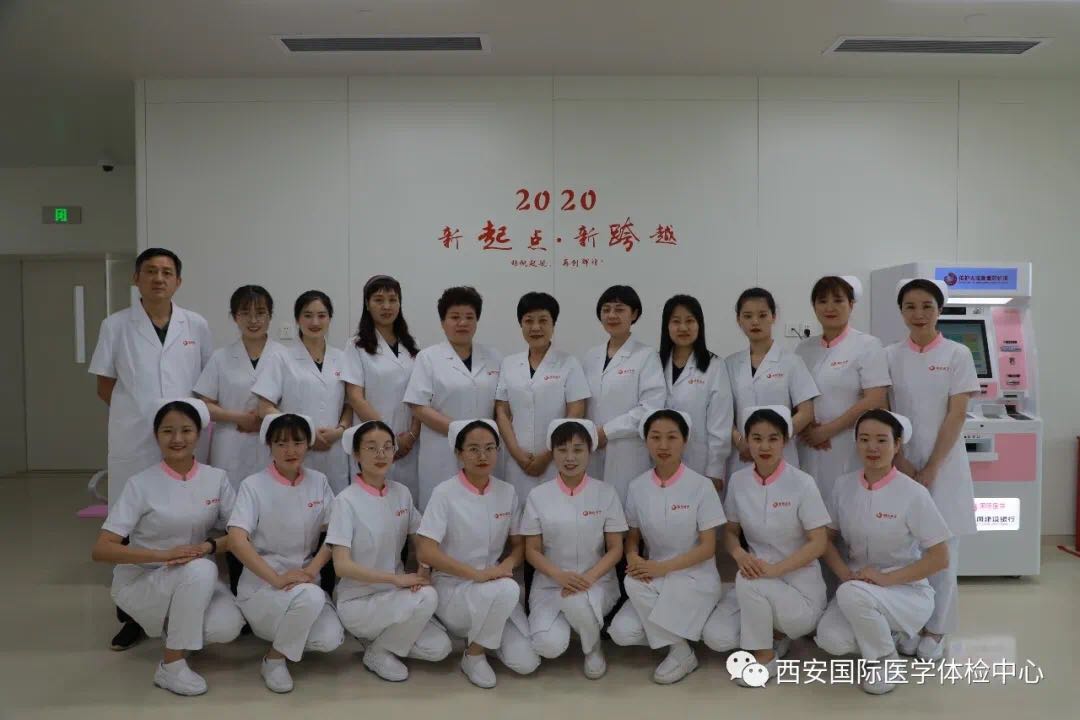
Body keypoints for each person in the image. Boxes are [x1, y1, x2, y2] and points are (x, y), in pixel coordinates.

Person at [89, 247, 213, 650]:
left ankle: (187, 602)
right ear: (136, 278)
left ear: (178, 280)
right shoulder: (115, 325)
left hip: (186, 441)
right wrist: (140, 416)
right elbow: (105, 385)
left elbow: (205, 384)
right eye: (151, 271)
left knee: (186, 518)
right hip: (136, 440)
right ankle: (131, 615)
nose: (159, 278)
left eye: (167, 272)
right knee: (129, 528)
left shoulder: (196, 325)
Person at [90, 398, 243, 696]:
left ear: (199, 434)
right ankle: (171, 665)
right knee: (200, 569)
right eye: (168, 431)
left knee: (228, 625)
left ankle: (175, 627)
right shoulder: (140, 484)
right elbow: (102, 550)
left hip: (193, 576)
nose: (177, 439)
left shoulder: (216, 479)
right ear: (156, 435)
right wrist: (164, 555)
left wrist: (208, 546)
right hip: (142, 581)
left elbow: (239, 534)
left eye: (186, 430)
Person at [814, 410, 951, 695]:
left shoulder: (913, 493)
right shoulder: (843, 486)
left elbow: (940, 557)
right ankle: (887, 633)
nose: (872, 447)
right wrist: (846, 575)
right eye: (864, 439)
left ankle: (886, 660)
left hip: (905, 591)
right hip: (857, 586)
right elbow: (825, 539)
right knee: (830, 639)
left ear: (897, 445)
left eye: (881, 440)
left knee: (852, 595)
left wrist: (884, 580)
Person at [885, 278, 979, 661]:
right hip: (901, 464)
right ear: (901, 311)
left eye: (927, 306)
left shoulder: (958, 354)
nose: (919, 314)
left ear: (940, 310)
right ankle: (913, 623)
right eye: (910, 306)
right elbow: (886, 412)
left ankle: (937, 629)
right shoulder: (890, 355)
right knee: (907, 549)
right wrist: (901, 461)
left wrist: (932, 467)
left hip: (946, 466)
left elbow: (956, 415)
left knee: (943, 549)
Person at [415, 419, 540, 688]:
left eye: (489, 448)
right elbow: (426, 549)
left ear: (497, 451)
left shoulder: (507, 492)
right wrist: (476, 575)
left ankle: (484, 633)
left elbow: (519, 545)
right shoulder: (445, 493)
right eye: (473, 449)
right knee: (507, 590)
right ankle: (474, 654)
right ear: (459, 454)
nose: (482, 456)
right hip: (454, 586)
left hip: (494, 584)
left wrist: (507, 565)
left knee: (527, 663)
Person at [227, 413, 345, 693]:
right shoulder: (253, 485)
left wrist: (311, 571)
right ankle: (274, 659)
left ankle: (287, 632)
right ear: (269, 446)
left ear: (308, 444)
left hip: (305, 580)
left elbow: (335, 533)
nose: (290, 450)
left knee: (329, 639)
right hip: (263, 586)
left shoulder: (319, 481)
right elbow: (236, 540)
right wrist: (277, 579)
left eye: (298, 442)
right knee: (311, 598)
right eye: (281, 444)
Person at [714, 406, 830, 687]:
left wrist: (776, 570)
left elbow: (819, 542)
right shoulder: (739, 481)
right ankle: (776, 635)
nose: (764, 446)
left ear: (785, 441)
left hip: (799, 590)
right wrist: (739, 554)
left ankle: (764, 658)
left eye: (773, 438)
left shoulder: (802, 483)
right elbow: (730, 531)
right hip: (758, 578)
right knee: (717, 637)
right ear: (746, 441)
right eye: (756, 438)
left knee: (748, 581)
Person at [327, 421, 453, 682]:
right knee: (427, 597)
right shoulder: (345, 501)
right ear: (356, 454)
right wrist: (397, 579)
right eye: (371, 448)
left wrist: (423, 568)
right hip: (359, 601)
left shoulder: (401, 493)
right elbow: (341, 566)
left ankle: (377, 640)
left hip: (396, 597)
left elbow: (421, 538)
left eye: (387, 447)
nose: (381, 454)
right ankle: (379, 651)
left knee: (439, 648)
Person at [607, 409, 725, 685]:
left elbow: (708, 547)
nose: (663, 445)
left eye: (671, 437)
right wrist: (633, 556)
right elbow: (633, 536)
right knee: (622, 632)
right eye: (655, 437)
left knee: (638, 597)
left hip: (694, 577)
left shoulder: (701, 486)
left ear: (684, 441)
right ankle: (680, 648)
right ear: (646, 441)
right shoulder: (637, 487)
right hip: (654, 576)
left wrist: (661, 568)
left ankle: (676, 647)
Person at [195, 284, 285, 592]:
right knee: (235, 518)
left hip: (273, 448)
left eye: (260, 312)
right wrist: (239, 417)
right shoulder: (221, 358)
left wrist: (265, 419)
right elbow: (204, 404)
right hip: (231, 444)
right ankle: (238, 586)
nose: (253, 319)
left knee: (272, 513)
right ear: (234, 317)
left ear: (270, 316)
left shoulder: (285, 356)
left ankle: (272, 582)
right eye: (245, 313)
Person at [521, 419, 626, 679]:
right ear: (552, 453)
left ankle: (592, 648)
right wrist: (558, 576)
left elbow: (616, 548)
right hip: (550, 583)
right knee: (548, 646)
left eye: (578, 450)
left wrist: (588, 578)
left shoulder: (606, 493)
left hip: (596, 581)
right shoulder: (538, 496)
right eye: (562, 450)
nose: (570, 458)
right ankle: (578, 623)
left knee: (576, 600)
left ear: (589, 452)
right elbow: (532, 550)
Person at [405, 287, 504, 511]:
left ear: (477, 321)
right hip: (442, 451)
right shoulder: (428, 358)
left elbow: (501, 405)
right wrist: (462, 432)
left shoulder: (494, 357)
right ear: (443, 322)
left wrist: (476, 438)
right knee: (443, 512)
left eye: (469, 317)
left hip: (485, 451)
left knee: (484, 510)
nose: (462, 323)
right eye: (455, 317)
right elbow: (418, 406)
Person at [795, 276, 890, 503]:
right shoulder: (803, 349)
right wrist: (808, 428)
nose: (830, 307)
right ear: (814, 306)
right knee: (810, 507)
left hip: (847, 443)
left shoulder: (868, 345)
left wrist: (827, 431)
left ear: (851, 305)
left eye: (838, 300)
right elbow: (795, 393)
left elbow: (875, 399)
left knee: (846, 505)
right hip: (807, 443)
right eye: (822, 301)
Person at [253, 290, 352, 494]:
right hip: (296, 448)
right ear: (297, 319)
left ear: (330, 318)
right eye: (308, 315)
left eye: (321, 315)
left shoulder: (343, 358)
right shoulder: (281, 358)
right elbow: (264, 407)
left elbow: (349, 404)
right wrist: (304, 432)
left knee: (335, 505)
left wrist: (340, 430)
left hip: (334, 448)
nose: (315, 322)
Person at [495, 291, 591, 503]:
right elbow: (502, 411)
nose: (535, 327)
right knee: (516, 514)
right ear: (521, 324)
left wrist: (548, 454)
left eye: (543, 321)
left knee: (555, 510)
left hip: (556, 459)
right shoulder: (509, 363)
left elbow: (576, 411)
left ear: (553, 325)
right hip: (517, 460)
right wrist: (517, 454)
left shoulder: (569, 363)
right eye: (528, 321)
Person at [343, 275, 423, 503]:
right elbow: (355, 397)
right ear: (367, 304)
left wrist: (412, 435)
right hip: (373, 439)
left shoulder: (412, 345)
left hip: (409, 443)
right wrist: (388, 438)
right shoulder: (356, 345)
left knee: (405, 505)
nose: (386, 306)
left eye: (392, 299)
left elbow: (421, 395)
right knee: (371, 502)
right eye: (379, 300)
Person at [582, 285, 666, 503]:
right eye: (606, 309)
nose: (612, 315)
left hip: (628, 450)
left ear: (634, 314)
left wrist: (607, 432)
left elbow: (650, 407)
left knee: (627, 509)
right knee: (593, 507)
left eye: (619, 309)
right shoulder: (590, 356)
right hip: (592, 449)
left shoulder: (646, 355)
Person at [725, 287, 819, 480]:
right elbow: (722, 414)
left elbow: (806, 412)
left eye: (762, 315)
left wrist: (775, 439)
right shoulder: (729, 364)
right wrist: (741, 441)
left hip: (782, 454)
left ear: (773, 317)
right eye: (748, 316)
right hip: (743, 455)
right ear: (738, 320)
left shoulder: (792, 362)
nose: (755, 321)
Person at [659, 294, 733, 492]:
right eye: (676, 321)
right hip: (658, 459)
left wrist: (715, 469)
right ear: (667, 326)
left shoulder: (715, 366)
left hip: (699, 462)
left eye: (690, 321)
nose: (683, 328)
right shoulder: (654, 363)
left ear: (699, 325)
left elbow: (720, 422)